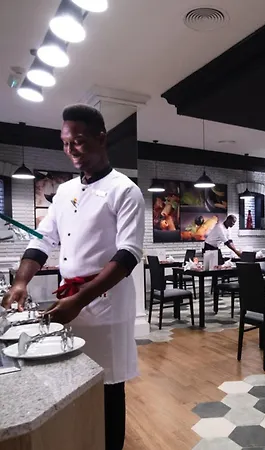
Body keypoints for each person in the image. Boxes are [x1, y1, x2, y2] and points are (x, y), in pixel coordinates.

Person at [1, 104, 145, 450]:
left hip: (106, 302)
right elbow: (42, 241)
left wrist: (81, 299)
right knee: (73, 377)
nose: (71, 150)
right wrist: (21, 282)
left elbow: (128, 255)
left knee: (108, 384)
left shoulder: (125, 190)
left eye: (78, 141)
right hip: (72, 301)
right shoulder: (65, 192)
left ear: (101, 138)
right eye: (65, 143)